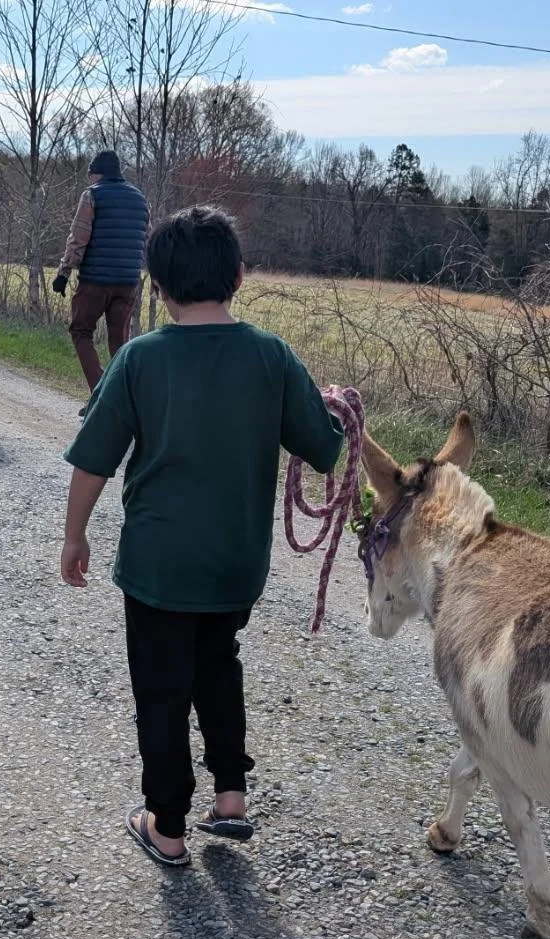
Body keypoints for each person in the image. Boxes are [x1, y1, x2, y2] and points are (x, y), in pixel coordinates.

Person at [59, 205, 345, 867]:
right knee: (218, 667)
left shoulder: (139, 359)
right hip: (234, 566)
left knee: (161, 691)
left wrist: (74, 536)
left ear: (156, 284)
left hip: (158, 569)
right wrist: (327, 403)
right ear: (238, 276)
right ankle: (231, 796)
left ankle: (166, 826)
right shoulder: (272, 356)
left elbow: (93, 458)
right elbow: (324, 448)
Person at [52, 150, 149, 408]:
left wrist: (63, 273)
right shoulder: (140, 199)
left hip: (95, 280)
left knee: (80, 331)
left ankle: (100, 397)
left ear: (98, 173)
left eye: (91, 173)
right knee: (120, 342)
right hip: (128, 282)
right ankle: (124, 400)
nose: (90, 178)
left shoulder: (93, 195)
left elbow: (78, 238)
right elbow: (144, 240)